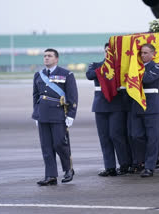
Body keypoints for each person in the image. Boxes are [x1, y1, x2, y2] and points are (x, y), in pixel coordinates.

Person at [32, 48, 78, 186]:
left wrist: (71, 115)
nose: (46, 58)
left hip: (59, 114)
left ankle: (68, 169)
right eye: (45, 56)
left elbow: (73, 96)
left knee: (60, 143)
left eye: (49, 56)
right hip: (43, 115)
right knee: (46, 146)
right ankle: (50, 175)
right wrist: (36, 113)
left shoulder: (66, 74)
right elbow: (36, 96)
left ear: (56, 59)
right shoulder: (38, 75)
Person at [86, 43, 130, 177]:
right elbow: (89, 75)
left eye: (110, 52)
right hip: (100, 106)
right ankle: (109, 166)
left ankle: (124, 164)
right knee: (104, 137)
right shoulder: (96, 65)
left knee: (116, 136)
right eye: (106, 51)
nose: (107, 54)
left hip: (116, 104)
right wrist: (105, 68)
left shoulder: (120, 67)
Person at [130, 44, 159, 177]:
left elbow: (147, 79)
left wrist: (134, 73)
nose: (142, 55)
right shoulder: (136, 67)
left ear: (153, 54)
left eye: (145, 53)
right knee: (136, 135)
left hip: (152, 106)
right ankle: (142, 161)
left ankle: (150, 166)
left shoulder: (157, 67)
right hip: (137, 105)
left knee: (152, 137)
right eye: (141, 53)